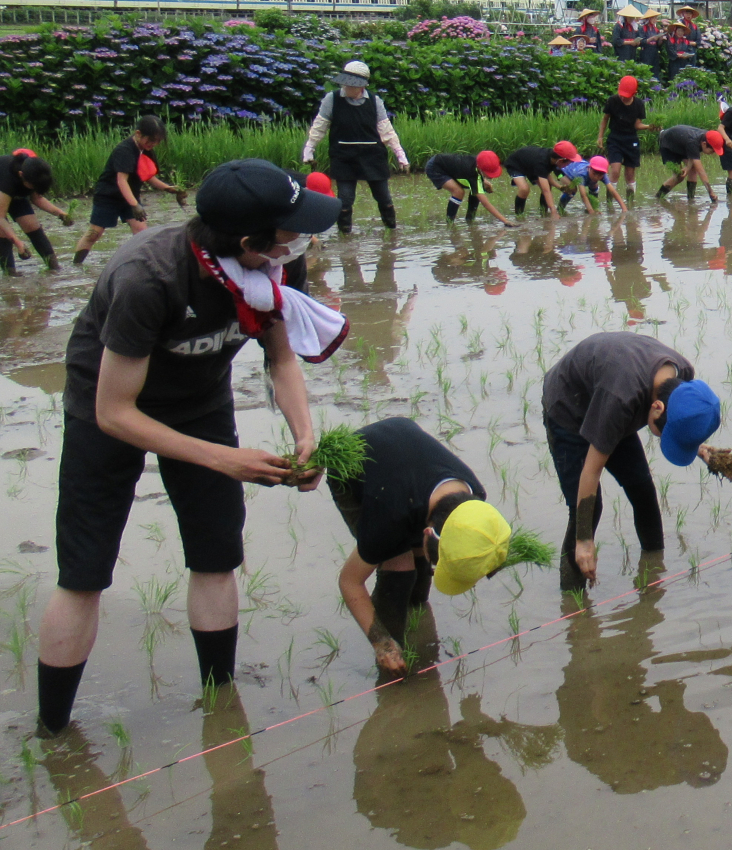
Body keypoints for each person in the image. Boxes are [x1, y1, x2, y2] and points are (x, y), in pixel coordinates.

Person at [36, 159, 342, 734]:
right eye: (292, 230)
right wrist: (226, 460)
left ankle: (219, 704)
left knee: (217, 551)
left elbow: (279, 357)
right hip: (107, 407)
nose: (302, 240)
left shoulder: (276, 266)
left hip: (200, 400)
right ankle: (52, 731)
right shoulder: (148, 278)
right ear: (250, 243)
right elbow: (114, 413)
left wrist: (304, 432)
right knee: (83, 570)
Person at [326, 417, 516, 673]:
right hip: (352, 463)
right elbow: (349, 582)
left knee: (413, 564)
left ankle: (416, 608)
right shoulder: (390, 518)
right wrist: (382, 642)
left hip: (405, 461)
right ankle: (392, 659)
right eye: (438, 564)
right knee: (398, 565)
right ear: (427, 532)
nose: (438, 570)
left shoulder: (475, 501)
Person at [542, 331, 722, 586]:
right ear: (657, 407)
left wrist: (698, 446)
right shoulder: (621, 399)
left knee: (642, 488)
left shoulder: (682, 378)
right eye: (665, 434)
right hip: (570, 407)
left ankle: (654, 576)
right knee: (588, 512)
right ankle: (573, 606)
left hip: (611, 396)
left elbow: (684, 418)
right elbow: (590, 472)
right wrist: (584, 541)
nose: (663, 438)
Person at [301, 60, 409, 234]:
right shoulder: (332, 99)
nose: (347, 88)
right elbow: (319, 126)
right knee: (345, 198)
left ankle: (392, 230)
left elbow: (386, 130)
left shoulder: (375, 101)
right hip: (344, 156)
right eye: (345, 84)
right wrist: (309, 148)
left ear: (362, 86)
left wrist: (400, 154)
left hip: (373, 155)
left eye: (352, 85)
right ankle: (345, 233)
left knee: (383, 197)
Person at [74, 116, 180, 264]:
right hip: (108, 196)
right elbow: (121, 181)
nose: (153, 144)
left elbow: (148, 176)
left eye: (157, 141)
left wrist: (169, 188)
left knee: (142, 232)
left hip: (130, 197)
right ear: (138, 134)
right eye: (150, 140)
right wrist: (134, 205)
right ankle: (77, 265)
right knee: (94, 234)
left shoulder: (147, 150)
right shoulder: (124, 150)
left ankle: (145, 264)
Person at [1, 148, 68, 274]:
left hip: (16, 194)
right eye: (33, 186)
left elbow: (37, 198)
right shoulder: (8, 179)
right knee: (3, 233)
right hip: (2, 193)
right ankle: (10, 274)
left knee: (32, 225)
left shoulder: (34, 173)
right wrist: (18, 242)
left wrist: (60, 213)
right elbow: (0, 217)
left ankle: (54, 268)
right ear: (21, 175)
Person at [424, 149, 515, 225]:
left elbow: (477, 178)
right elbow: (486, 203)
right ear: (480, 168)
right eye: (489, 174)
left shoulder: (478, 164)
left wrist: (483, 181)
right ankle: (450, 223)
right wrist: (505, 221)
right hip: (435, 167)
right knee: (458, 192)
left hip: (452, 168)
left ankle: (470, 219)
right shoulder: (471, 173)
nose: (491, 177)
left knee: (476, 188)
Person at [597, 73, 651, 196]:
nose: (623, 98)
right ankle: (610, 200)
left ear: (634, 93)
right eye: (622, 95)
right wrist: (600, 137)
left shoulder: (638, 105)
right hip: (615, 138)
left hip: (631, 139)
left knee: (630, 173)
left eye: (626, 96)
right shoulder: (613, 101)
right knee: (615, 170)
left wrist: (649, 127)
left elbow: (637, 125)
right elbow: (605, 119)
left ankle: (630, 200)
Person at [656, 126, 724, 201]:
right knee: (679, 176)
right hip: (667, 143)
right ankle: (658, 197)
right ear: (704, 144)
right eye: (712, 151)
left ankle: (691, 199)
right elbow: (701, 172)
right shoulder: (693, 142)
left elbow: (693, 154)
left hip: (682, 143)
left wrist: (688, 167)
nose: (713, 153)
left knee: (692, 169)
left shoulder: (706, 137)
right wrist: (711, 192)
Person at [504, 142, 569, 216]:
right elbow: (546, 190)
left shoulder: (553, 160)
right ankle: (519, 216)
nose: (567, 165)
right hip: (516, 165)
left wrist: (560, 187)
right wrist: (553, 211)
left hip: (531, 166)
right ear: (561, 160)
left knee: (548, 185)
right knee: (524, 189)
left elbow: (548, 175)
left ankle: (544, 213)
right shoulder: (542, 162)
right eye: (568, 163)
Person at [556, 153, 629, 214]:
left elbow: (613, 191)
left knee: (594, 186)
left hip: (579, 169)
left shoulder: (602, 175)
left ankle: (593, 206)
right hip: (563, 172)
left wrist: (624, 208)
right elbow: (583, 195)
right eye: (594, 173)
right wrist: (591, 212)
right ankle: (560, 209)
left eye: (600, 175)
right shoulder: (582, 174)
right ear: (589, 168)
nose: (597, 177)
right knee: (572, 189)